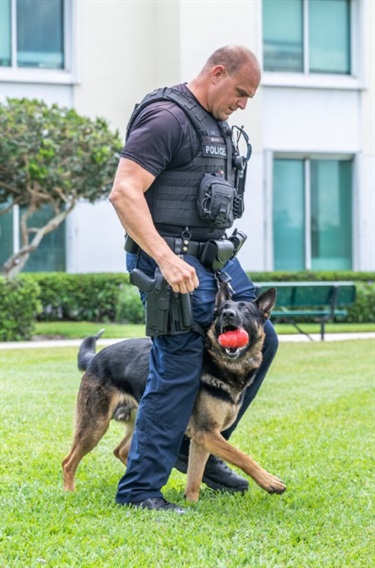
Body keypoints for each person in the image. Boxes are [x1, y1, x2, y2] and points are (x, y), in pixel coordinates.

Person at [109, 45, 278, 513]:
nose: (243, 103)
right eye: (241, 92)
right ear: (217, 73)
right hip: (168, 258)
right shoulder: (167, 118)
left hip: (212, 257)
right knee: (180, 359)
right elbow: (124, 193)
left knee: (266, 340)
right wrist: (163, 258)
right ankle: (140, 489)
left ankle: (197, 442)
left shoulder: (216, 124)